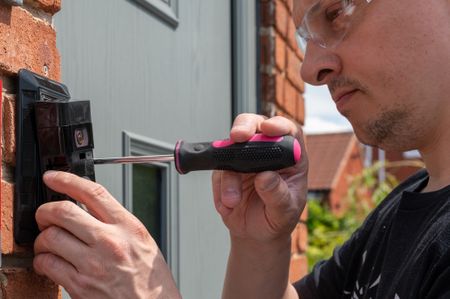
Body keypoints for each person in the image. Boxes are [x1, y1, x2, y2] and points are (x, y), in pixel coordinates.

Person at [32, 0, 450, 298]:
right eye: (305, 37)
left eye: (336, 13)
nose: (309, 70)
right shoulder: (406, 208)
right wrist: (259, 244)